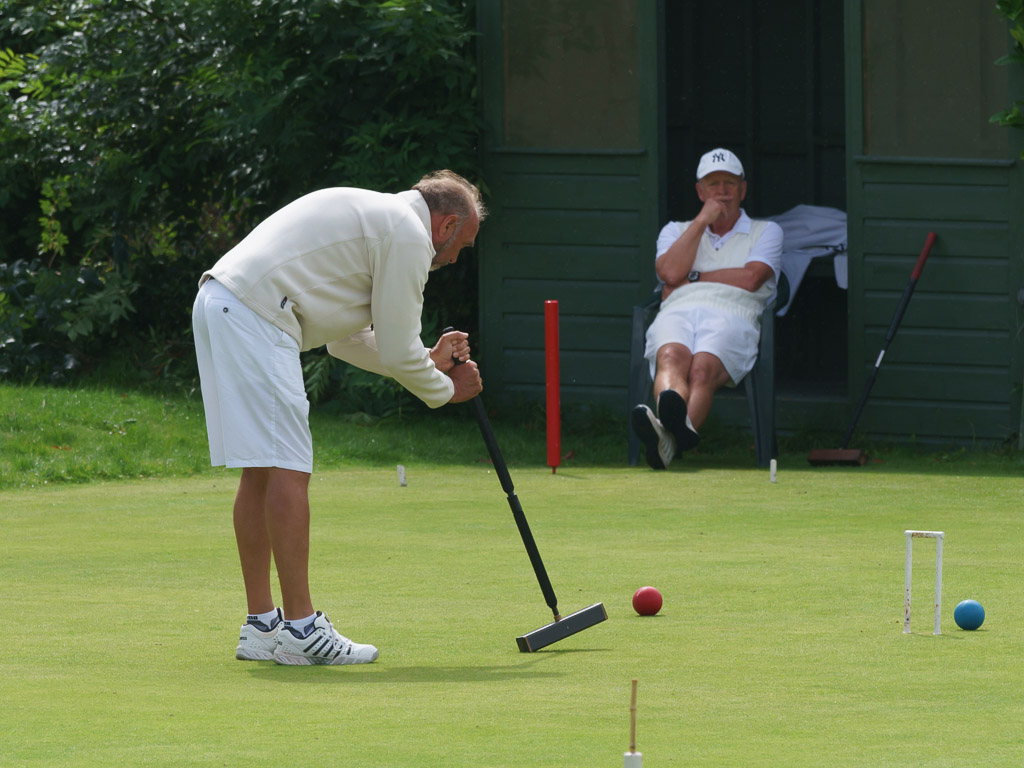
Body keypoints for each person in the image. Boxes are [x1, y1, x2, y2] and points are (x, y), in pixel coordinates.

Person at [192, 170, 485, 665]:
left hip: (224, 303)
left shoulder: (381, 221)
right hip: (257, 316)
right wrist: (446, 391)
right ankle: (302, 628)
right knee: (288, 466)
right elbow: (396, 351)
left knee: (262, 468)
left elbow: (348, 339)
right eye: (463, 245)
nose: (456, 258)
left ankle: (263, 626)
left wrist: (428, 362)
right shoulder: (407, 234)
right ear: (446, 225)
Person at [631, 149, 783, 470]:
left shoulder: (766, 231)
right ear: (700, 191)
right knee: (671, 357)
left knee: (702, 369)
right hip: (678, 308)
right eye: (713, 184)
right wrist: (702, 221)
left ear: (743, 189)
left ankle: (665, 438)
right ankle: (669, 440)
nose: (722, 192)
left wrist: (695, 276)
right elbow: (670, 274)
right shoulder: (676, 230)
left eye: (730, 183)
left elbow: (752, 277)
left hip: (734, 313)